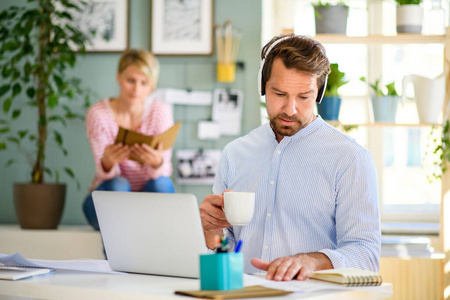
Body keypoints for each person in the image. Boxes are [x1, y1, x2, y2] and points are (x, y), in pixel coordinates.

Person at [199, 34, 380, 282]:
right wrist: (211, 230)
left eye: (304, 97)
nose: (290, 109)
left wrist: (311, 261)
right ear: (263, 87)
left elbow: (366, 254)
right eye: (279, 93)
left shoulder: (350, 158)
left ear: (319, 93)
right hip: (242, 294)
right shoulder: (235, 153)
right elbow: (226, 247)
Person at [83, 49, 175, 230]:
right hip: (107, 198)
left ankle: (158, 248)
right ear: (119, 77)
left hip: (146, 200)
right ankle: (115, 257)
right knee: (118, 184)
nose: (136, 89)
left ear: (152, 86)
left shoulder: (160, 112)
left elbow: (163, 171)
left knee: (162, 183)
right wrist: (107, 163)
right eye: (130, 80)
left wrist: (157, 163)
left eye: (144, 83)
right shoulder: (98, 114)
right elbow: (104, 176)